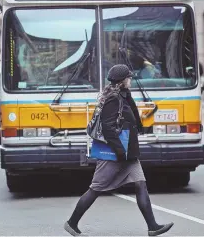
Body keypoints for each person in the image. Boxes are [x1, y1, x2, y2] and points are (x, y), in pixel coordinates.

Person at [64, 64, 174, 236]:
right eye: (129, 78)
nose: (131, 80)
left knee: (140, 184)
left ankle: (152, 226)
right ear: (123, 81)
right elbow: (108, 128)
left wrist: (139, 125)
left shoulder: (123, 95)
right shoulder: (113, 99)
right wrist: (120, 152)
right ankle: (72, 223)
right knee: (96, 188)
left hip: (128, 152)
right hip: (114, 153)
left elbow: (130, 114)